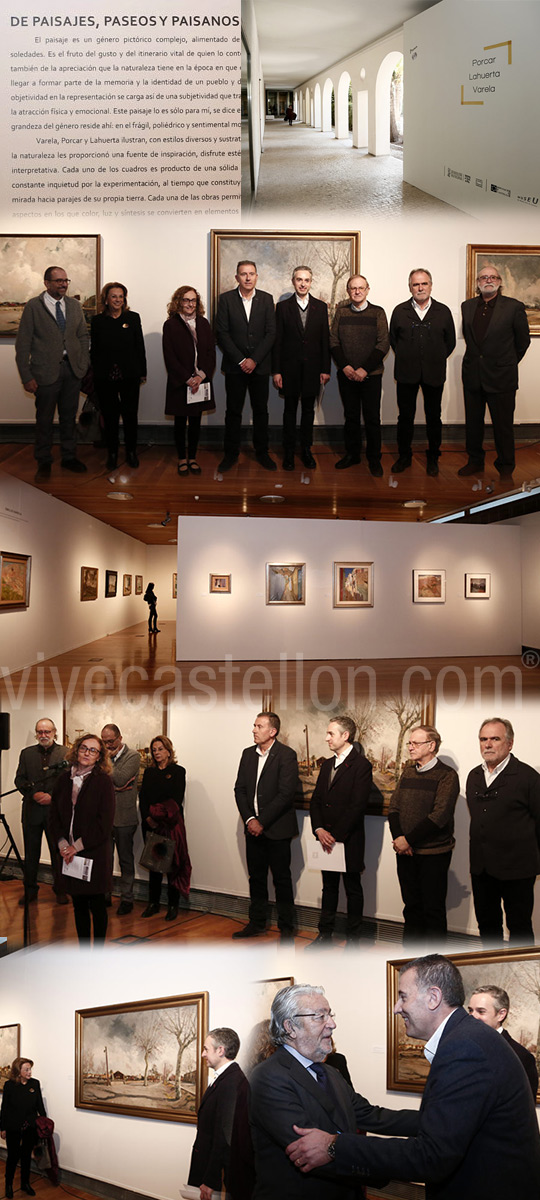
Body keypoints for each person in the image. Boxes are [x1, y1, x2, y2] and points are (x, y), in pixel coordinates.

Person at [286, 956, 540, 1200]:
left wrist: (335, 1146)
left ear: (433, 998)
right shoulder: (467, 1038)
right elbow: (443, 1123)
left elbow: (431, 1156)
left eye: (403, 997)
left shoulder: (464, 1047)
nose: (397, 1008)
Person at [250, 983, 419, 1200]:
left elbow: (372, 1115)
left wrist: (435, 1120)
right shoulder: (268, 1077)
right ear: (290, 1027)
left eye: (330, 1014)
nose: (332, 1024)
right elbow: (311, 1153)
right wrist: (391, 1167)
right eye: (320, 1016)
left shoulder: (330, 1073)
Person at [466, 717, 540, 945]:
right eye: (483, 739)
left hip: (517, 870)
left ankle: (522, 977)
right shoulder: (473, 776)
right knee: (487, 927)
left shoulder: (528, 778)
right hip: (481, 869)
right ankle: (491, 971)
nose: (488, 744)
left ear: (509, 743)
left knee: (519, 929)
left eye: (495, 739)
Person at [15, 265, 90, 482]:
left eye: (66, 280)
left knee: (69, 418)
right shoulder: (33, 307)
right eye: (59, 281)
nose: (64, 284)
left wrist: (82, 363)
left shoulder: (74, 306)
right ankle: (44, 461)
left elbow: (82, 336)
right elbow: (23, 344)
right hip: (44, 373)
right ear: (47, 283)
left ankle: (69, 457)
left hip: (72, 371)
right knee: (44, 419)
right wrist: (26, 376)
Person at [388, 724, 459, 944]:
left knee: (432, 910)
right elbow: (393, 808)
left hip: (434, 854)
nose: (410, 747)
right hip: (405, 853)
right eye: (409, 743)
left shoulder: (447, 776)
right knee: (411, 908)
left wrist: (407, 840)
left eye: (415, 743)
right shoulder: (408, 772)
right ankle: (410, 960)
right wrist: (401, 840)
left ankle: (436, 964)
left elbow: (439, 816)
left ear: (431, 745)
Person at [459, 264, 531, 478]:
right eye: (483, 278)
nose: (488, 280)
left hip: (502, 377)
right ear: (478, 284)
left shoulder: (514, 307)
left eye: (492, 277)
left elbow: (522, 342)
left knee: (503, 426)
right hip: (473, 375)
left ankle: (506, 467)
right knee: (473, 424)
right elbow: (471, 340)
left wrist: (505, 362)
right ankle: (475, 462)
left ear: (500, 282)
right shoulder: (467, 306)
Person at [233, 712, 299, 941]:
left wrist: (262, 821)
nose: (253, 730)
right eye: (254, 725)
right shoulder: (247, 754)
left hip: (277, 829)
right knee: (256, 878)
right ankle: (257, 923)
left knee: (282, 879)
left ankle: (287, 927)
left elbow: (285, 794)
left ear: (272, 731)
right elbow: (239, 790)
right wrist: (250, 820)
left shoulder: (287, 755)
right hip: (253, 829)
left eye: (259, 726)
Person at [308, 717, 372, 947]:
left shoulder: (362, 765)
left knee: (353, 889)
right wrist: (319, 829)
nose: (326, 738)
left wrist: (335, 836)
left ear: (345, 736)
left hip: (349, 840)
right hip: (325, 839)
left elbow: (357, 806)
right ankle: (325, 935)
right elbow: (315, 801)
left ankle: (354, 940)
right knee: (329, 888)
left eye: (330, 733)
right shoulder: (326, 764)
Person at [49, 733, 115, 944]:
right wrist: (62, 843)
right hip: (68, 853)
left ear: (99, 756)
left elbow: (104, 824)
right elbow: (54, 816)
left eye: (93, 750)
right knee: (78, 905)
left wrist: (76, 847)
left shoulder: (103, 782)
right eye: (83, 748)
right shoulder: (63, 779)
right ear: (76, 750)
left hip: (92, 851)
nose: (87, 753)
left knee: (96, 905)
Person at [389, 269, 456, 476]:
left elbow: (450, 342)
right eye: (416, 284)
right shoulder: (400, 311)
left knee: (433, 416)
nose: (420, 288)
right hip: (406, 373)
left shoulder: (443, 311)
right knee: (405, 417)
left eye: (424, 284)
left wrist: (433, 358)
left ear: (431, 285)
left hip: (434, 373)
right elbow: (393, 340)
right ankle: (404, 456)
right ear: (410, 287)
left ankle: (433, 456)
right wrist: (409, 357)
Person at [215, 261, 276, 473]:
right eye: (243, 274)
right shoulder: (225, 300)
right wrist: (242, 360)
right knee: (233, 412)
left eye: (251, 274)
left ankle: (262, 453)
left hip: (260, 367)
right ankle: (230, 454)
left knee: (261, 411)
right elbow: (221, 333)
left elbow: (271, 333)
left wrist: (254, 360)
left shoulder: (267, 299)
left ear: (257, 276)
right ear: (237, 277)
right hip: (235, 367)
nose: (248, 278)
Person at [272, 265, 331, 471]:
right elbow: (277, 341)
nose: (303, 283)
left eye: (306, 280)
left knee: (308, 412)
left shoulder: (321, 307)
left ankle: (306, 450)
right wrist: (276, 371)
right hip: (289, 371)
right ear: (293, 281)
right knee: (289, 412)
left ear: (311, 282)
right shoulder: (282, 307)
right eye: (299, 279)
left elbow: (325, 340)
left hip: (313, 371)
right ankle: (288, 452)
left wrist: (325, 369)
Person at [330, 275, 389, 475]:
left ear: (367, 289)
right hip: (346, 375)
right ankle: (352, 455)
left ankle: (374, 459)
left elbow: (383, 343)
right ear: (348, 291)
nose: (357, 291)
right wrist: (345, 366)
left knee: (372, 418)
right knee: (351, 417)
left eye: (360, 288)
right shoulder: (341, 312)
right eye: (353, 288)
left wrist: (364, 369)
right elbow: (333, 341)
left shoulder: (378, 313)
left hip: (371, 374)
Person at [90, 280, 147, 470]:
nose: (118, 300)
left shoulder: (132, 318)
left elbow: (140, 346)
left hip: (130, 375)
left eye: (121, 296)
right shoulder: (98, 321)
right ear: (106, 299)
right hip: (105, 377)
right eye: (114, 296)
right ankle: (112, 453)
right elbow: (95, 351)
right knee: (110, 417)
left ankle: (131, 452)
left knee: (130, 416)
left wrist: (142, 372)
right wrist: (96, 374)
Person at [187, 1027, 249, 1200]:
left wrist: (210, 1179)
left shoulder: (231, 1082)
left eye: (206, 1049)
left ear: (220, 1050)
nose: (202, 1054)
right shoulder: (225, 1078)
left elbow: (224, 1137)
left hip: (213, 1172)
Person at [14, 717, 68, 907]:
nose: (43, 735)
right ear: (36, 734)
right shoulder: (26, 754)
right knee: (31, 854)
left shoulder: (66, 754)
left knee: (58, 854)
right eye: (40, 732)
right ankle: (30, 890)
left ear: (55, 733)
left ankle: (61, 890)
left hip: (56, 814)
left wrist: (52, 797)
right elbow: (19, 780)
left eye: (47, 732)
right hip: (32, 811)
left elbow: (70, 783)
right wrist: (34, 794)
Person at [163, 285, 216, 476]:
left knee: (195, 422)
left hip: (200, 382)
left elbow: (210, 354)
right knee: (180, 422)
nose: (189, 304)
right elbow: (169, 357)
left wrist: (200, 376)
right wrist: (187, 378)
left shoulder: (204, 323)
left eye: (193, 300)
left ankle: (192, 458)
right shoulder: (171, 325)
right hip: (180, 383)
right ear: (178, 301)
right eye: (185, 300)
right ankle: (181, 459)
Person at [138, 734, 191, 921]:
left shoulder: (178, 771)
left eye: (160, 749)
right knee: (154, 866)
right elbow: (143, 798)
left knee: (172, 866)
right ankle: (153, 904)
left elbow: (175, 800)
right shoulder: (149, 772)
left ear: (169, 751)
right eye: (154, 750)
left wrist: (159, 818)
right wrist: (147, 818)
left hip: (170, 826)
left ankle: (173, 905)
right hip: (151, 825)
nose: (157, 752)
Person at [467, 984, 538, 1100]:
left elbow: (523, 1112)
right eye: (470, 1010)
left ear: (501, 1014)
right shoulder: (462, 1048)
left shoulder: (521, 1057)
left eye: (481, 1011)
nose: (472, 1016)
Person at [100, 723, 141, 916]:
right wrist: (116, 788)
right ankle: (105, 896)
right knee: (105, 860)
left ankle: (127, 899)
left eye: (111, 741)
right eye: (104, 742)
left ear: (120, 738)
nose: (107, 746)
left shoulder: (133, 756)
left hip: (125, 818)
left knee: (125, 860)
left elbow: (120, 778)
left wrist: (106, 764)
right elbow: (96, 782)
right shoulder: (101, 757)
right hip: (105, 818)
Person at [0, 1057, 46, 1199]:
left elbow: (39, 1106)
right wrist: (2, 1128)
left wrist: (44, 1122)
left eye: (30, 1069)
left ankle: (25, 1184)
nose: (29, 1072)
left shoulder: (35, 1084)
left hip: (30, 1127)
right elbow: (4, 1108)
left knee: (26, 1157)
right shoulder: (9, 1085)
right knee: (13, 1157)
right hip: (13, 1127)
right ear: (18, 1071)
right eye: (26, 1069)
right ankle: (8, 1185)